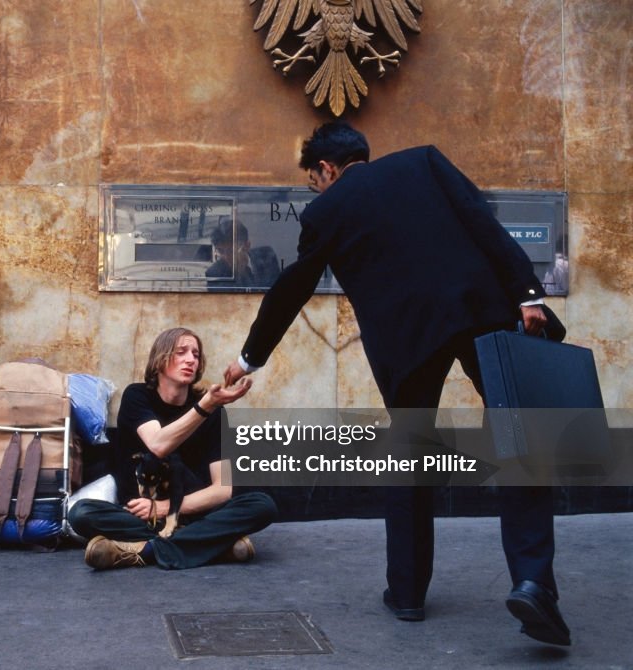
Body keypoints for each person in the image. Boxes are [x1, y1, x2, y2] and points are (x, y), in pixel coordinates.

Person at [223, 122, 571, 646]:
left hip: (408, 345)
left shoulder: (325, 210)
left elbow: (292, 287)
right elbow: (483, 223)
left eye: (314, 180)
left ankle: (407, 593)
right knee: (519, 439)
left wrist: (250, 359)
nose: (316, 190)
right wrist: (527, 293)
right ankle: (532, 582)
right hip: (482, 314)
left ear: (326, 169)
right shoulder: (424, 162)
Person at [69, 327, 278, 570]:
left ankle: (144, 550)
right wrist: (205, 406)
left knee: (262, 505)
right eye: (181, 352)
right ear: (160, 360)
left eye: (196, 354)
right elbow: (158, 444)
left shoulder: (215, 413)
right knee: (81, 513)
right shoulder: (136, 396)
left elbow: (222, 489)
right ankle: (211, 543)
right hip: (140, 516)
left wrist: (165, 507)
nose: (191, 359)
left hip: (193, 514)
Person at [205, 216, 281, 289]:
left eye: (231, 251)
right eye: (220, 250)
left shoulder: (266, 256)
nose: (225, 256)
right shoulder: (214, 273)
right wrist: (241, 274)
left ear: (247, 246)